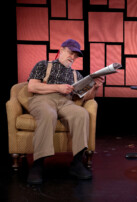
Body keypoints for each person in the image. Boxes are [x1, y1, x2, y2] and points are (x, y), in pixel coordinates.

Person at [27, 39, 105, 184]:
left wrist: (95, 86)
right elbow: (32, 87)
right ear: (61, 50)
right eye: (70, 53)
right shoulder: (43, 64)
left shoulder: (76, 74)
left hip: (66, 102)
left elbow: (86, 97)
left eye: (75, 55)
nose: (72, 57)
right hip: (44, 99)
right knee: (48, 113)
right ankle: (37, 165)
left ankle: (76, 163)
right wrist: (58, 88)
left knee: (81, 113)